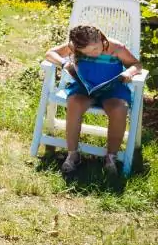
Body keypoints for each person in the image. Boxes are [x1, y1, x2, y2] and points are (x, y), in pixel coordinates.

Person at [44, 25, 142, 176]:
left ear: (101, 39)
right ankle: (73, 154)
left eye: (96, 49)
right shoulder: (75, 46)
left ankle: (111, 157)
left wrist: (129, 72)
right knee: (74, 103)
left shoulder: (117, 48)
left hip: (112, 89)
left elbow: (137, 64)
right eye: (87, 53)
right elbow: (50, 53)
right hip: (85, 87)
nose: (94, 54)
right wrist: (64, 63)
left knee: (119, 109)